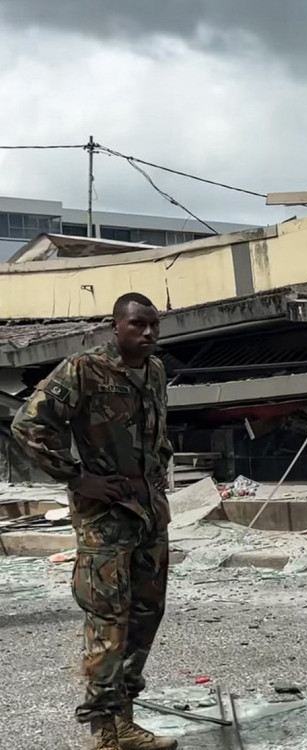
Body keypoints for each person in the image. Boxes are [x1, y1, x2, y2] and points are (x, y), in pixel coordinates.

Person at [12, 293, 175, 750]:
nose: (147, 333)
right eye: (138, 325)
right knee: (108, 621)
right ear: (116, 326)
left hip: (147, 512)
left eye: (153, 326)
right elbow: (29, 426)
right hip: (105, 518)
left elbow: (158, 429)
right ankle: (104, 732)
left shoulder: (155, 372)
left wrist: (161, 463)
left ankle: (125, 720)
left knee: (146, 615)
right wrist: (78, 479)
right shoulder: (84, 368)